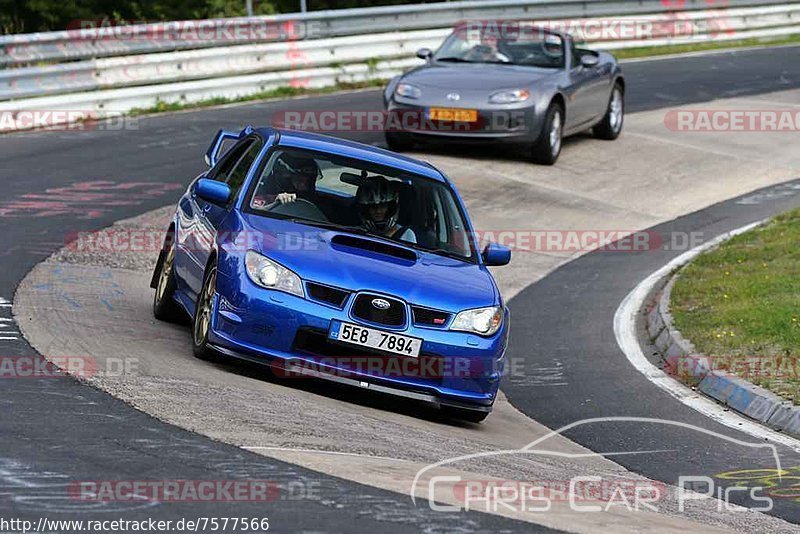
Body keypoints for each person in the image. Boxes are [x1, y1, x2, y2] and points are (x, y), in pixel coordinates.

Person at [355, 177, 417, 243]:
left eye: (382, 206)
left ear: (391, 207)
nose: (378, 211)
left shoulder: (405, 234)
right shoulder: (355, 233)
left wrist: (394, 230)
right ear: (365, 209)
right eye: (373, 207)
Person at [253, 152, 320, 208]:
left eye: (308, 182)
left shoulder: (315, 203)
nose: (303, 186)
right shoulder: (259, 195)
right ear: (285, 177)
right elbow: (254, 208)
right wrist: (275, 200)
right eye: (299, 181)